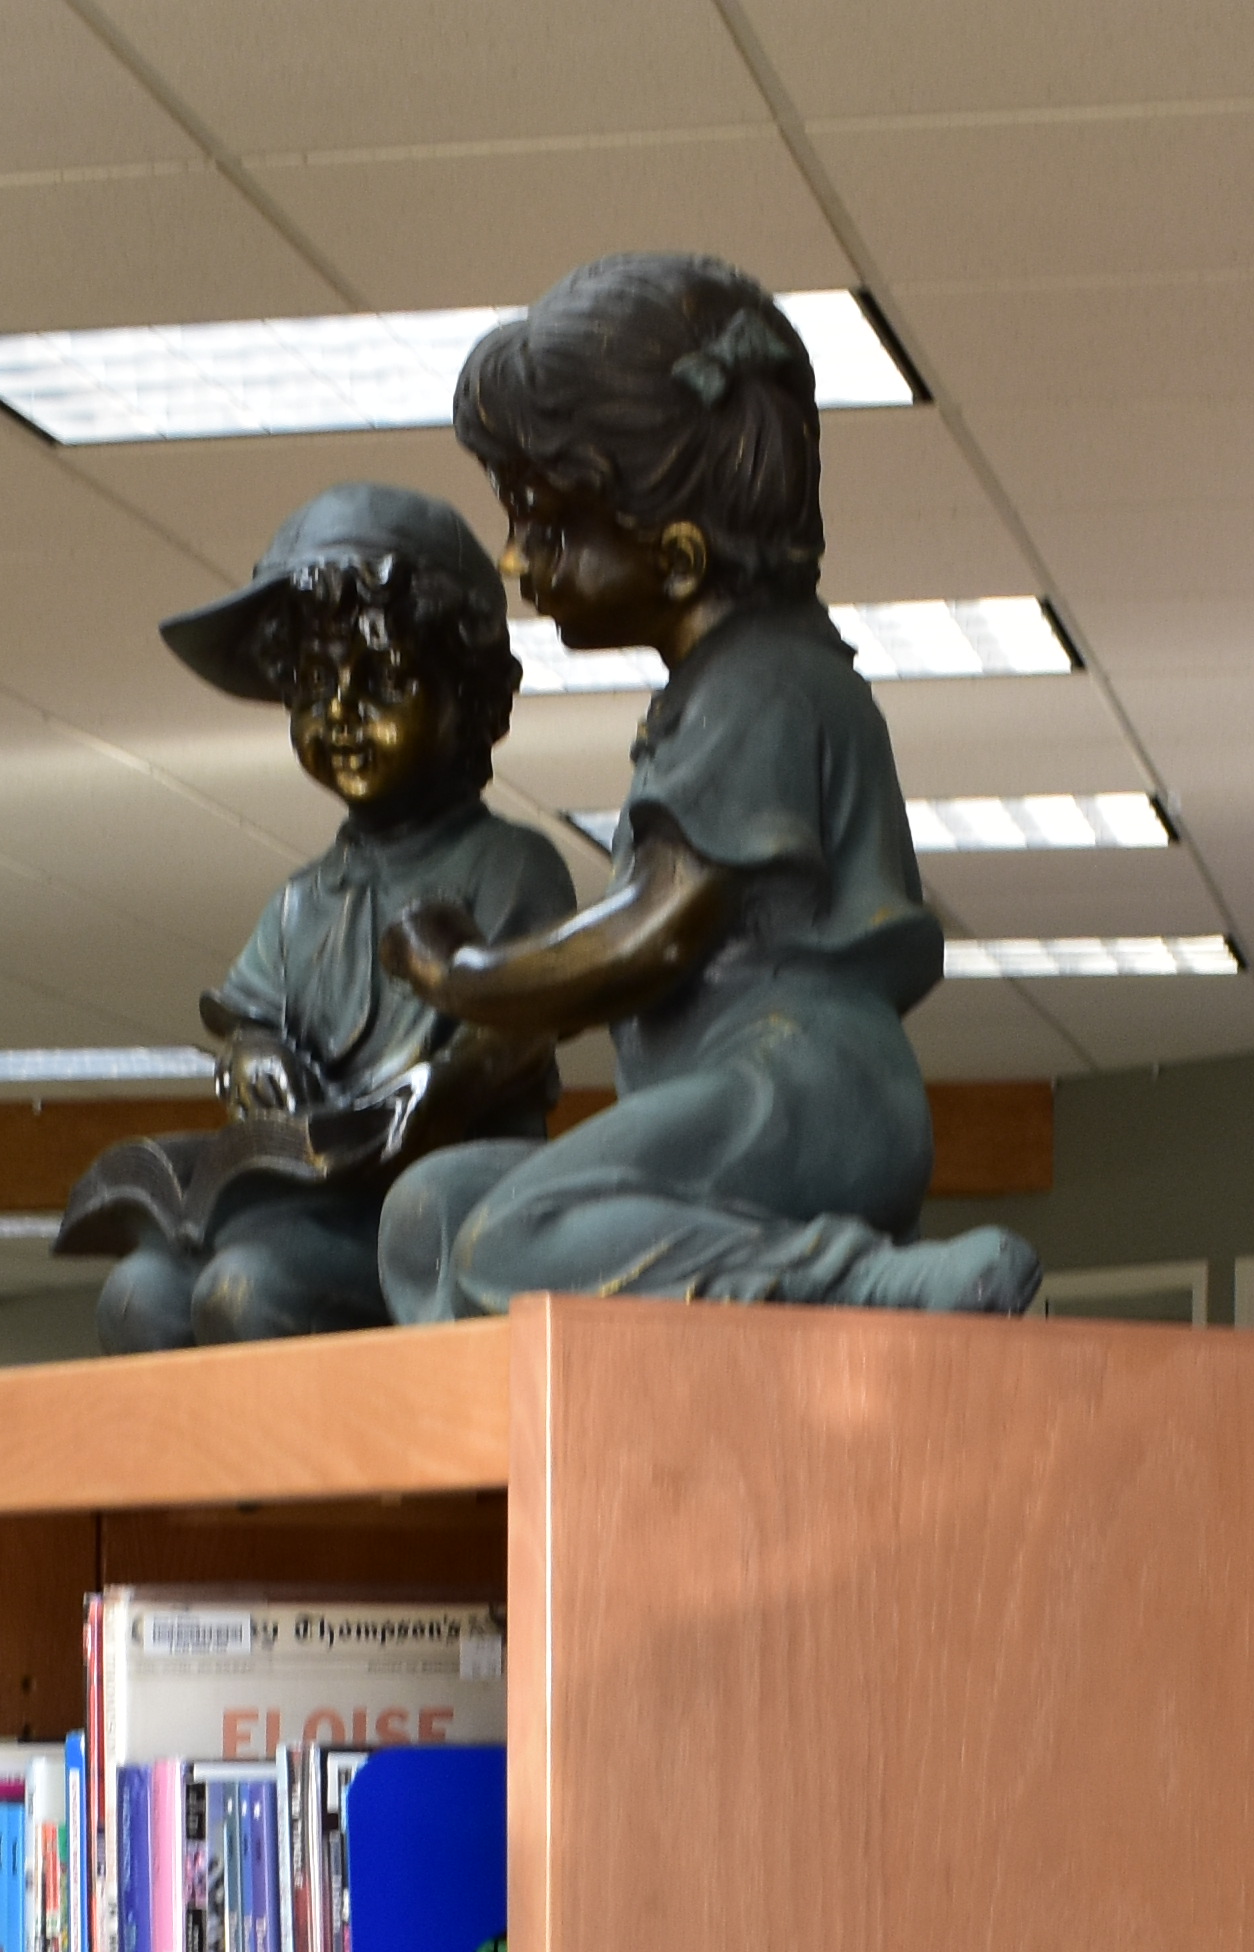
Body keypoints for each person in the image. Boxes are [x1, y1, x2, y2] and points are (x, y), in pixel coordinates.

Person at [370, 253, 1038, 1324]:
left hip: (810, 1088)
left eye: (543, 526)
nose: (514, 560)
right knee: (430, 1217)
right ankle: (519, 1440)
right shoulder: (718, 687)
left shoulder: (764, 684)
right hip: (739, 1089)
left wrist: (462, 974)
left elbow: (653, 939)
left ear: (677, 558)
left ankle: (863, 1284)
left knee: (513, 1240)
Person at [69, 485, 582, 1351]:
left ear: (470, 699)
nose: (339, 715)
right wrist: (255, 1061)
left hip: (434, 1201)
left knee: (246, 1290)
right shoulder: (301, 899)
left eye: (381, 683)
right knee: (139, 1294)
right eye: (310, 688)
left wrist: (391, 1117)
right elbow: (252, 1022)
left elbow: (506, 1043)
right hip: (303, 1201)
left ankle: (324, 1484)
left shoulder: (511, 866)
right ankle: (196, 1490)